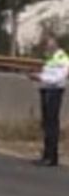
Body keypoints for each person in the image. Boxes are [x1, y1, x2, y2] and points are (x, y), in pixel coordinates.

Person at [29, 36, 68, 167]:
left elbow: (57, 78)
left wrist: (39, 77)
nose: (46, 48)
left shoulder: (62, 58)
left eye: (48, 45)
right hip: (46, 91)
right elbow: (49, 74)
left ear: (55, 44)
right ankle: (46, 155)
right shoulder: (50, 57)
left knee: (51, 124)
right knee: (46, 124)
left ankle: (52, 157)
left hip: (54, 92)